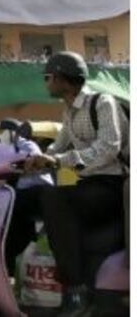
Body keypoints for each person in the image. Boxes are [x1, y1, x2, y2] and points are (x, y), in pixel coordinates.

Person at [25, 52, 128, 316]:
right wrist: (33, 158)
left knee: (54, 198)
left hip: (113, 184)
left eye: (48, 77)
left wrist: (60, 160)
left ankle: (75, 287)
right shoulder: (69, 110)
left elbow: (108, 147)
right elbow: (58, 146)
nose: (46, 82)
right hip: (89, 184)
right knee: (32, 195)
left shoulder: (102, 103)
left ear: (63, 79)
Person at [0, 118, 53, 274]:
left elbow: (34, 158)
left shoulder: (25, 144)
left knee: (11, 215)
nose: (0, 135)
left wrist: (23, 163)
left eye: (3, 131)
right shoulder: (2, 149)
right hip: (18, 195)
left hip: (36, 192)